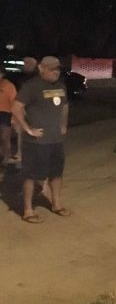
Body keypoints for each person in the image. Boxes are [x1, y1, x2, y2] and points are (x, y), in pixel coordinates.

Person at [12, 56, 70, 223]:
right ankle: (28, 210)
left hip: (56, 141)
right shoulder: (31, 87)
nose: (56, 72)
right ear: (41, 68)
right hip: (36, 143)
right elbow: (16, 108)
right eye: (52, 69)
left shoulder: (60, 86)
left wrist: (63, 124)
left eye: (58, 68)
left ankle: (56, 204)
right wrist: (28, 129)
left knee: (56, 174)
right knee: (31, 176)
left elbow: (65, 106)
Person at [13, 56, 39, 164]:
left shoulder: (38, 78)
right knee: (21, 131)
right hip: (22, 108)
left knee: (37, 130)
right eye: (25, 62)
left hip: (35, 109)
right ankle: (20, 153)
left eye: (29, 63)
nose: (26, 64)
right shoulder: (19, 78)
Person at [0, 66, 17, 166]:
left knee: (5, 137)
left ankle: (6, 157)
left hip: (5, 113)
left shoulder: (8, 86)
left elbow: (14, 102)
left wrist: (14, 117)